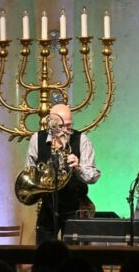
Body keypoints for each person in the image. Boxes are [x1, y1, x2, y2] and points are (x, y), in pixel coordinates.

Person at [25, 103, 101, 243]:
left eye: (69, 125)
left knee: (73, 252)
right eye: (61, 126)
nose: (66, 131)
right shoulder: (37, 139)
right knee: (44, 249)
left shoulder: (82, 140)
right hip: (48, 206)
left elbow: (93, 177)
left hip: (74, 208)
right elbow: (30, 172)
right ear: (51, 124)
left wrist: (78, 167)